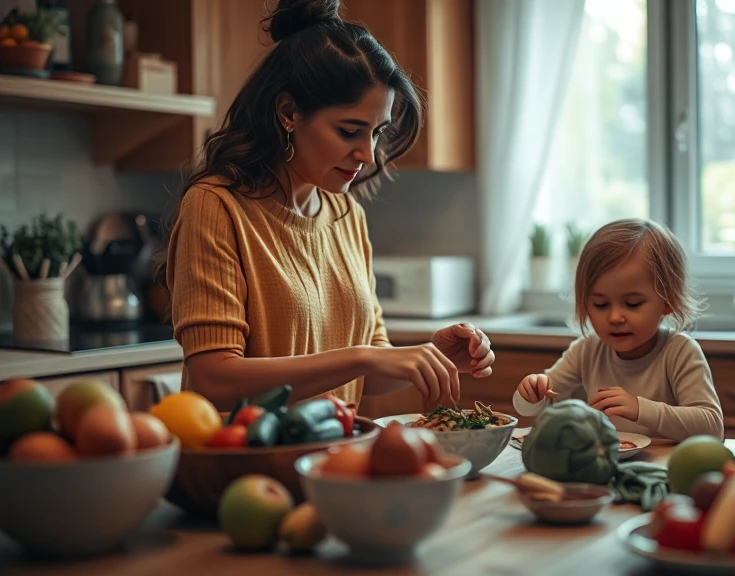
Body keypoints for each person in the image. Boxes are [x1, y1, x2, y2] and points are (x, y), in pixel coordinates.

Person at [154, 0, 494, 411]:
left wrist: (429, 358)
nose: (367, 154)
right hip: (245, 451)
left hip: (335, 448)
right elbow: (214, 379)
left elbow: (367, 374)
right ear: (288, 113)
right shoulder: (216, 207)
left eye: (377, 133)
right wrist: (363, 356)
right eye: (349, 131)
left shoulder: (346, 215)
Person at [512, 218, 724, 441]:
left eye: (632, 304)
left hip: (665, 462)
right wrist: (530, 395)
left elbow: (712, 426)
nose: (615, 317)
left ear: (669, 300)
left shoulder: (680, 351)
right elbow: (531, 407)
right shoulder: (587, 350)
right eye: (601, 304)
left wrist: (640, 409)